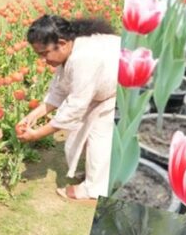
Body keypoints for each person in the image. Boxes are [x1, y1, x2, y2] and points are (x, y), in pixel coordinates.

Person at [16, 15, 119, 201]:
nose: (42, 59)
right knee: (91, 133)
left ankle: (93, 189)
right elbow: (59, 90)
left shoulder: (84, 58)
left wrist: (37, 134)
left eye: (44, 53)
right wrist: (35, 114)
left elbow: (74, 107)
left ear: (62, 43)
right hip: (107, 87)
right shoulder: (72, 48)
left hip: (123, 88)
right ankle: (96, 177)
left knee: (99, 134)